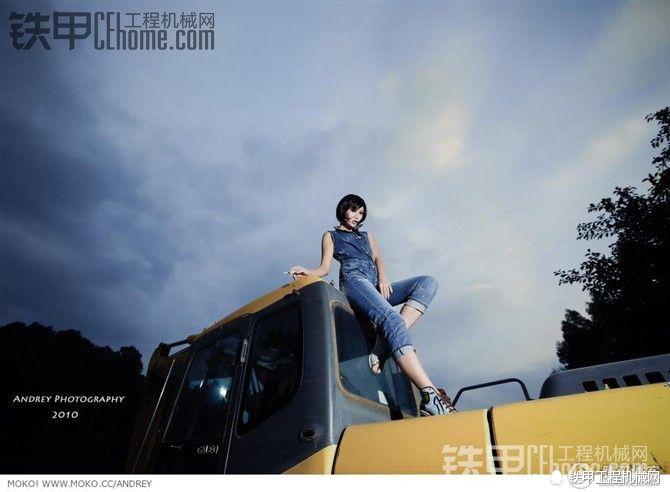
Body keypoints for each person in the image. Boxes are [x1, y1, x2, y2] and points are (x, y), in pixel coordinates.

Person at [289, 194, 457, 416]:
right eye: (353, 210)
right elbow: (324, 268)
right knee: (392, 319)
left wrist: (384, 278)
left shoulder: (368, 236)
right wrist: (308, 272)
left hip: (376, 285)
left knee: (427, 283)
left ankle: (383, 346)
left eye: (361, 213)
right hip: (355, 282)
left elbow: (378, 259)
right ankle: (430, 394)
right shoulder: (331, 235)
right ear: (343, 209)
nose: (357, 216)